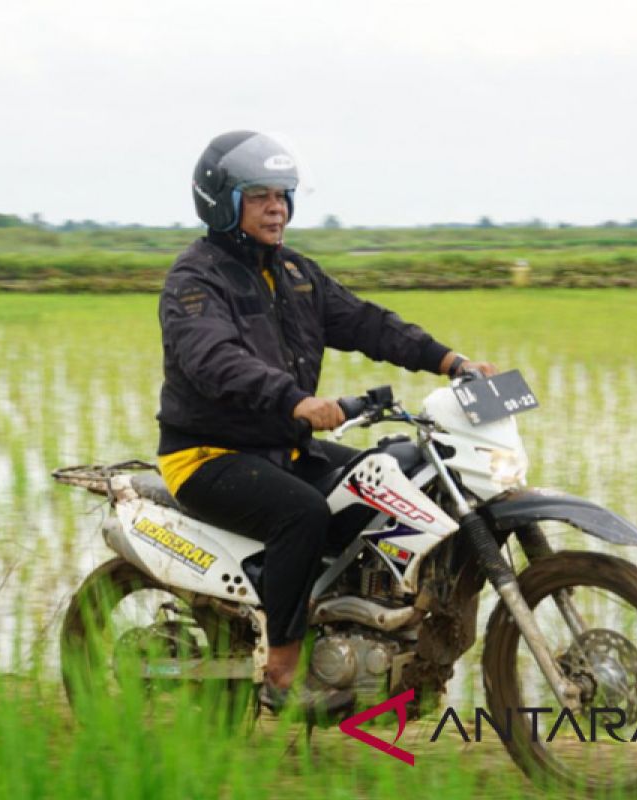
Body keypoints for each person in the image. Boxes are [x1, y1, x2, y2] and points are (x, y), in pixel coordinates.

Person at [156, 130, 496, 715]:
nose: (277, 208)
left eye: (283, 195)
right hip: (209, 456)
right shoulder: (195, 281)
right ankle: (283, 668)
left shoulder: (295, 274)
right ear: (222, 201)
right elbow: (213, 359)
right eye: (259, 195)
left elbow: (368, 324)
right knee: (302, 514)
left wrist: (451, 361)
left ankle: (354, 637)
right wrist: (295, 400)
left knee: (381, 482)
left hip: (281, 449)